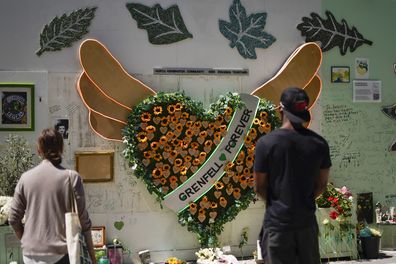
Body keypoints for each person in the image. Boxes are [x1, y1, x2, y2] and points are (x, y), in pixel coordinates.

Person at [254, 87, 331, 264]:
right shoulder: (319, 144)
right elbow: (321, 185)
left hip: (277, 226)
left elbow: (259, 187)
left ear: (280, 108)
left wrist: (279, 202)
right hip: (307, 226)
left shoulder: (266, 144)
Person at [8, 128, 96, 264]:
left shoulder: (25, 178)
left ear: (39, 150)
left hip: (30, 255)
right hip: (61, 254)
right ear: (61, 149)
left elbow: (13, 218)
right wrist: (92, 255)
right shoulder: (71, 178)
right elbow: (83, 221)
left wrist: (26, 239)